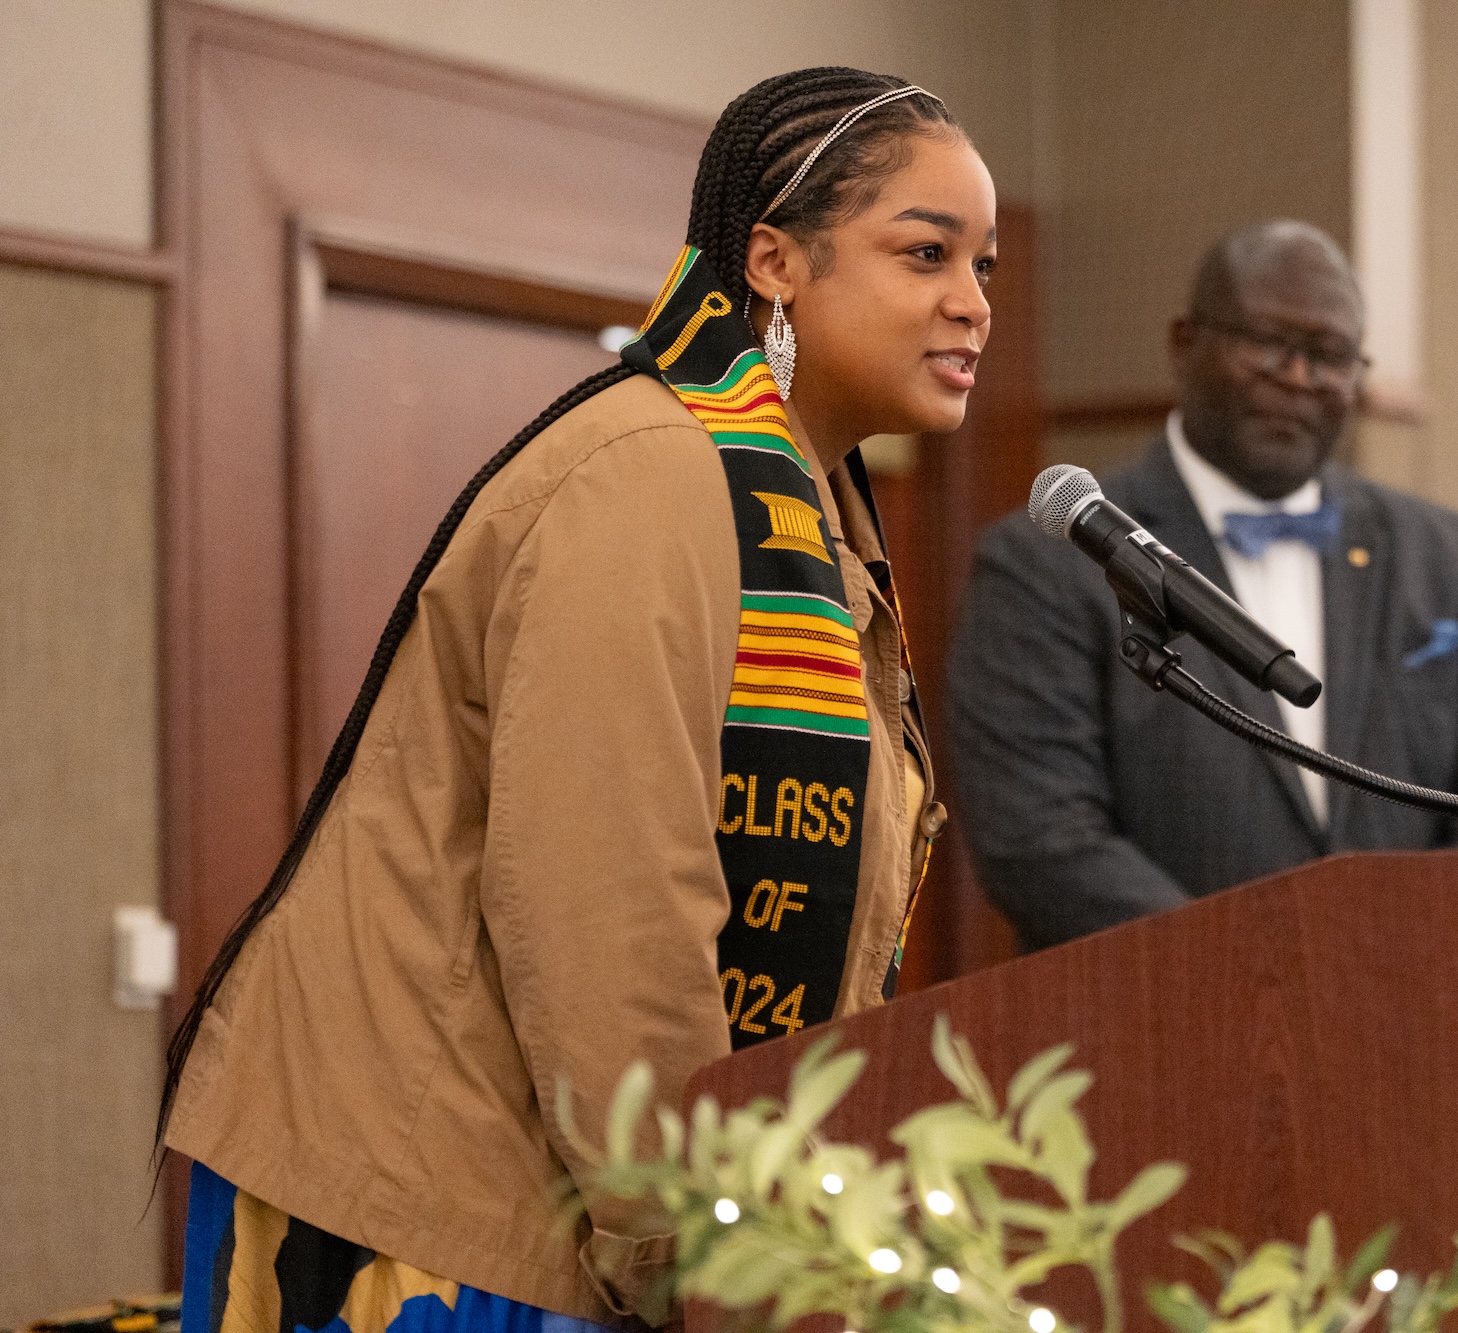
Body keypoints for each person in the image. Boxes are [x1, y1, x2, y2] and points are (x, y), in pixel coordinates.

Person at [157, 68, 991, 1333]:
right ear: (774, 260)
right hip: (429, 1202)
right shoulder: (650, 480)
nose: (971, 304)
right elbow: (609, 904)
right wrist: (694, 1248)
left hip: (574, 1187)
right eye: (925, 253)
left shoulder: (814, 516)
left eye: (983, 264)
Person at [948, 219, 1458, 953]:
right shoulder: (1045, 563)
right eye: (1266, 345)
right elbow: (1042, 845)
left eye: (1330, 356)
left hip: (1409, 1019)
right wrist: (1269, 981)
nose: (1298, 378)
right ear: (1185, 344)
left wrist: (1390, 963)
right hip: (1157, 1023)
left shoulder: (1449, 558)